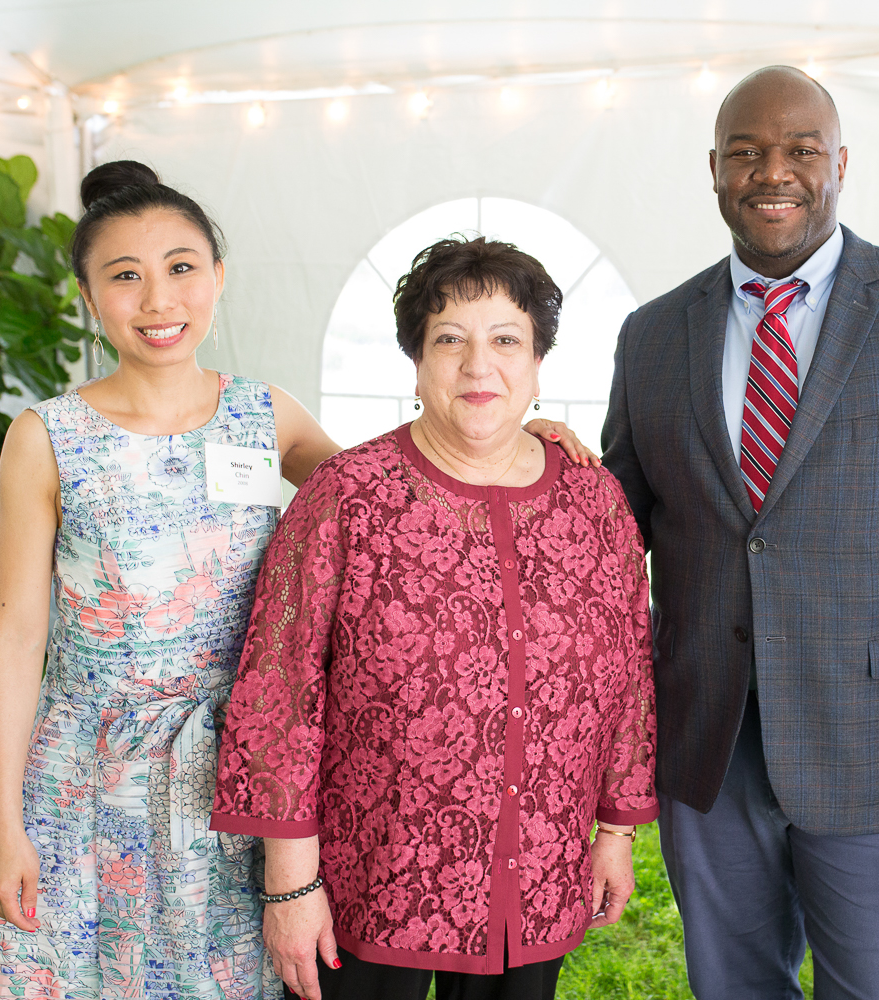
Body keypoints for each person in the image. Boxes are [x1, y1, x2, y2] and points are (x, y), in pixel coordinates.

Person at [598, 66, 879, 998]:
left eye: (799, 150)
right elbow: (611, 526)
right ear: (714, 169)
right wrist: (525, 471)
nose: (773, 172)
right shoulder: (653, 335)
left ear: (841, 163)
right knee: (733, 984)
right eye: (747, 152)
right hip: (707, 740)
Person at [209, 235, 657, 1000]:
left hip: (535, 866)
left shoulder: (595, 502)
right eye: (449, 339)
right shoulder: (347, 496)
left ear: (539, 362)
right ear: (416, 361)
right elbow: (278, 691)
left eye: (506, 340)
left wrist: (613, 835)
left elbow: (627, 672)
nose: (479, 365)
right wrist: (290, 885)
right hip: (374, 875)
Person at [0, 161, 341, 998]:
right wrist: (6, 826)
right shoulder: (46, 435)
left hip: (237, 768)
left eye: (181, 268)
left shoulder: (267, 414)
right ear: (87, 296)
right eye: (125, 276)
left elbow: (391, 502)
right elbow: (16, 633)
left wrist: (511, 439)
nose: (158, 301)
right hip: (87, 774)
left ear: (218, 277)